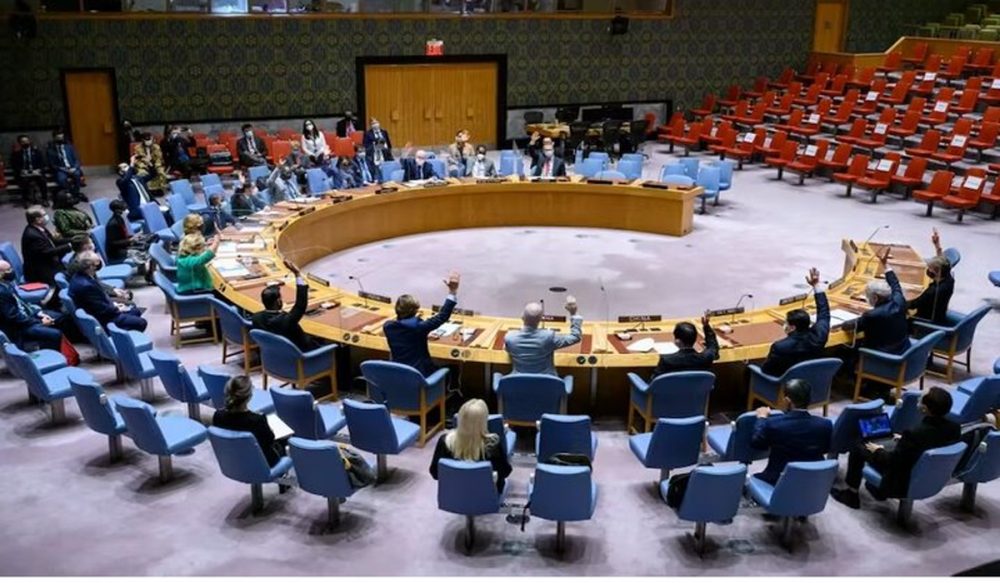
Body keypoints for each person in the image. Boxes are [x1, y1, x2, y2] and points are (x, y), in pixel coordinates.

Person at [832, 387, 961, 509]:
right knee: (885, 441)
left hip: (901, 477)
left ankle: (851, 494)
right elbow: (929, 442)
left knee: (858, 446)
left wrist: (878, 450)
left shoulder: (914, 434)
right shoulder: (954, 428)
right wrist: (904, 440)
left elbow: (891, 461)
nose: (918, 399)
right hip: (926, 472)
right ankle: (874, 489)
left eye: (920, 399)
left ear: (924, 409)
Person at [750, 379, 833, 485]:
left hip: (778, 480)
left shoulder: (774, 424)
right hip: (813, 480)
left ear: (787, 401)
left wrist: (761, 418)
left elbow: (757, 443)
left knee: (750, 481)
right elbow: (825, 449)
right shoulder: (825, 424)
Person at [383, 272, 460, 377]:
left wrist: (424, 335)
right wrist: (452, 291)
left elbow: (405, 335)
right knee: (453, 368)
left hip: (399, 374)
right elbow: (442, 316)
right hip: (420, 376)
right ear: (415, 311)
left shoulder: (388, 327)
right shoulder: (419, 327)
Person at [429, 398, 512, 494]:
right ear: (484, 422)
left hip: (453, 496)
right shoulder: (493, 445)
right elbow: (505, 472)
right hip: (485, 497)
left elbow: (435, 473)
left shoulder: (444, 442)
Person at [761, 267, 830, 376]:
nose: (784, 325)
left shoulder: (779, 347)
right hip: (811, 380)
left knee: (749, 370)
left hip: (784, 383)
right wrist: (816, 285)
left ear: (792, 327)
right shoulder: (819, 336)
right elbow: (824, 313)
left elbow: (766, 371)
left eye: (786, 323)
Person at [212, 375, 286, 467]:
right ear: (249, 397)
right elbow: (269, 440)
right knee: (285, 439)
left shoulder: (217, 416)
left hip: (233, 460)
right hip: (261, 464)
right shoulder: (257, 420)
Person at [849, 246, 909, 355]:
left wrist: (843, 324)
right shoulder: (899, 301)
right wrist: (885, 264)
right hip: (904, 350)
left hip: (883, 356)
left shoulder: (871, 315)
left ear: (875, 297)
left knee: (848, 352)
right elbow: (895, 284)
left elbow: (851, 326)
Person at [0, 259, 70, 351]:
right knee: (55, 334)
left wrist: (38, 312)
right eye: (8, 270)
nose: (12, 271)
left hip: (26, 316)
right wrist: (40, 322)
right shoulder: (1, 292)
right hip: (18, 328)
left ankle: (66, 349)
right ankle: (46, 353)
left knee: (61, 317)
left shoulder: (6, 284)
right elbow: (14, 318)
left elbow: (22, 303)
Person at [69, 251, 147, 332]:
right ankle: (119, 336)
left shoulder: (82, 275)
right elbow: (102, 310)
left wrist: (115, 304)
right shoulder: (86, 286)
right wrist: (118, 309)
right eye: (97, 262)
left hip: (102, 309)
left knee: (135, 311)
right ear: (91, 266)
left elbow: (99, 300)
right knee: (141, 322)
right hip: (103, 320)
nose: (100, 264)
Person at [504, 296, 582, 376]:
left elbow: (507, 349)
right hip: (548, 382)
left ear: (522, 317)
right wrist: (574, 314)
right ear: (540, 319)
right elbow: (575, 337)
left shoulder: (510, 337)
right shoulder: (549, 337)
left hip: (518, 382)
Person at [251, 264, 314, 352]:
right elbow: (300, 305)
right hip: (297, 354)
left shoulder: (256, 318)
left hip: (271, 353)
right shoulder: (287, 320)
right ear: (278, 301)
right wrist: (297, 274)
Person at [651, 312, 719, 378]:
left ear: (677, 341)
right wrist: (706, 326)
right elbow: (713, 346)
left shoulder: (666, 360)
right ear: (695, 339)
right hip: (699, 386)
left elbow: (655, 381)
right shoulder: (706, 357)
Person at [908, 229, 954, 326]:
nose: (928, 270)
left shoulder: (932, 292)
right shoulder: (949, 280)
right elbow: (943, 262)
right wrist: (937, 245)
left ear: (937, 272)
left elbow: (912, 305)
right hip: (940, 315)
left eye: (930, 268)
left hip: (924, 321)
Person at [21, 205, 70, 288]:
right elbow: (47, 252)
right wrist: (68, 246)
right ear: (37, 219)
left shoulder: (40, 228)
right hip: (40, 271)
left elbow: (53, 241)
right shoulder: (32, 235)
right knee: (68, 274)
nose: (47, 216)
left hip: (48, 261)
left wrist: (72, 240)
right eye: (44, 215)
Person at [105, 199, 151, 280]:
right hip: (117, 252)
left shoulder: (120, 219)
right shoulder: (112, 224)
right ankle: (149, 275)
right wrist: (130, 240)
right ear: (118, 211)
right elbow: (113, 243)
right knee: (141, 251)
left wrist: (133, 237)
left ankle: (145, 271)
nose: (126, 211)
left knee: (149, 243)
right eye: (124, 209)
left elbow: (123, 235)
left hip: (125, 245)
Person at [46, 128, 86, 202]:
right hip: (61, 169)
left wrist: (74, 168)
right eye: (59, 138)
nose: (61, 139)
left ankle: (76, 194)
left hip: (72, 168)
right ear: (54, 138)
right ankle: (69, 194)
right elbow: (52, 164)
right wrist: (64, 169)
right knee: (62, 179)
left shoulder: (69, 147)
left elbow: (77, 159)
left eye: (62, 138)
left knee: (77, 175)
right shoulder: (51, 150)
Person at [116, 157, 160, 222]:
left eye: (127, 166)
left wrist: (149, 164)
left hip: (149, 204)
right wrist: (131, 164)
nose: (128, 168)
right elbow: (126, 179)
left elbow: (153, 174)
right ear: (120, 172)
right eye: (124, 167)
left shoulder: (138, 178)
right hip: (138, 210)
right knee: (158, 215)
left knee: (167, 214)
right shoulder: (120, 182)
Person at [12, 135, 48, 206]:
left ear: (29, 141)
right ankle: (26, 200)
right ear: (20, 143)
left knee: (42, 181)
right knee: (24, 182)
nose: (25, 143)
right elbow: (15, 166)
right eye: (23, 142)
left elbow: (42, 164)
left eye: (27, 141)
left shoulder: (37, 152)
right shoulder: (16, 154)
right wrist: (22, 171)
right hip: (24, 174)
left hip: (36, 172)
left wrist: (38, 170)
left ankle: (44, 199)